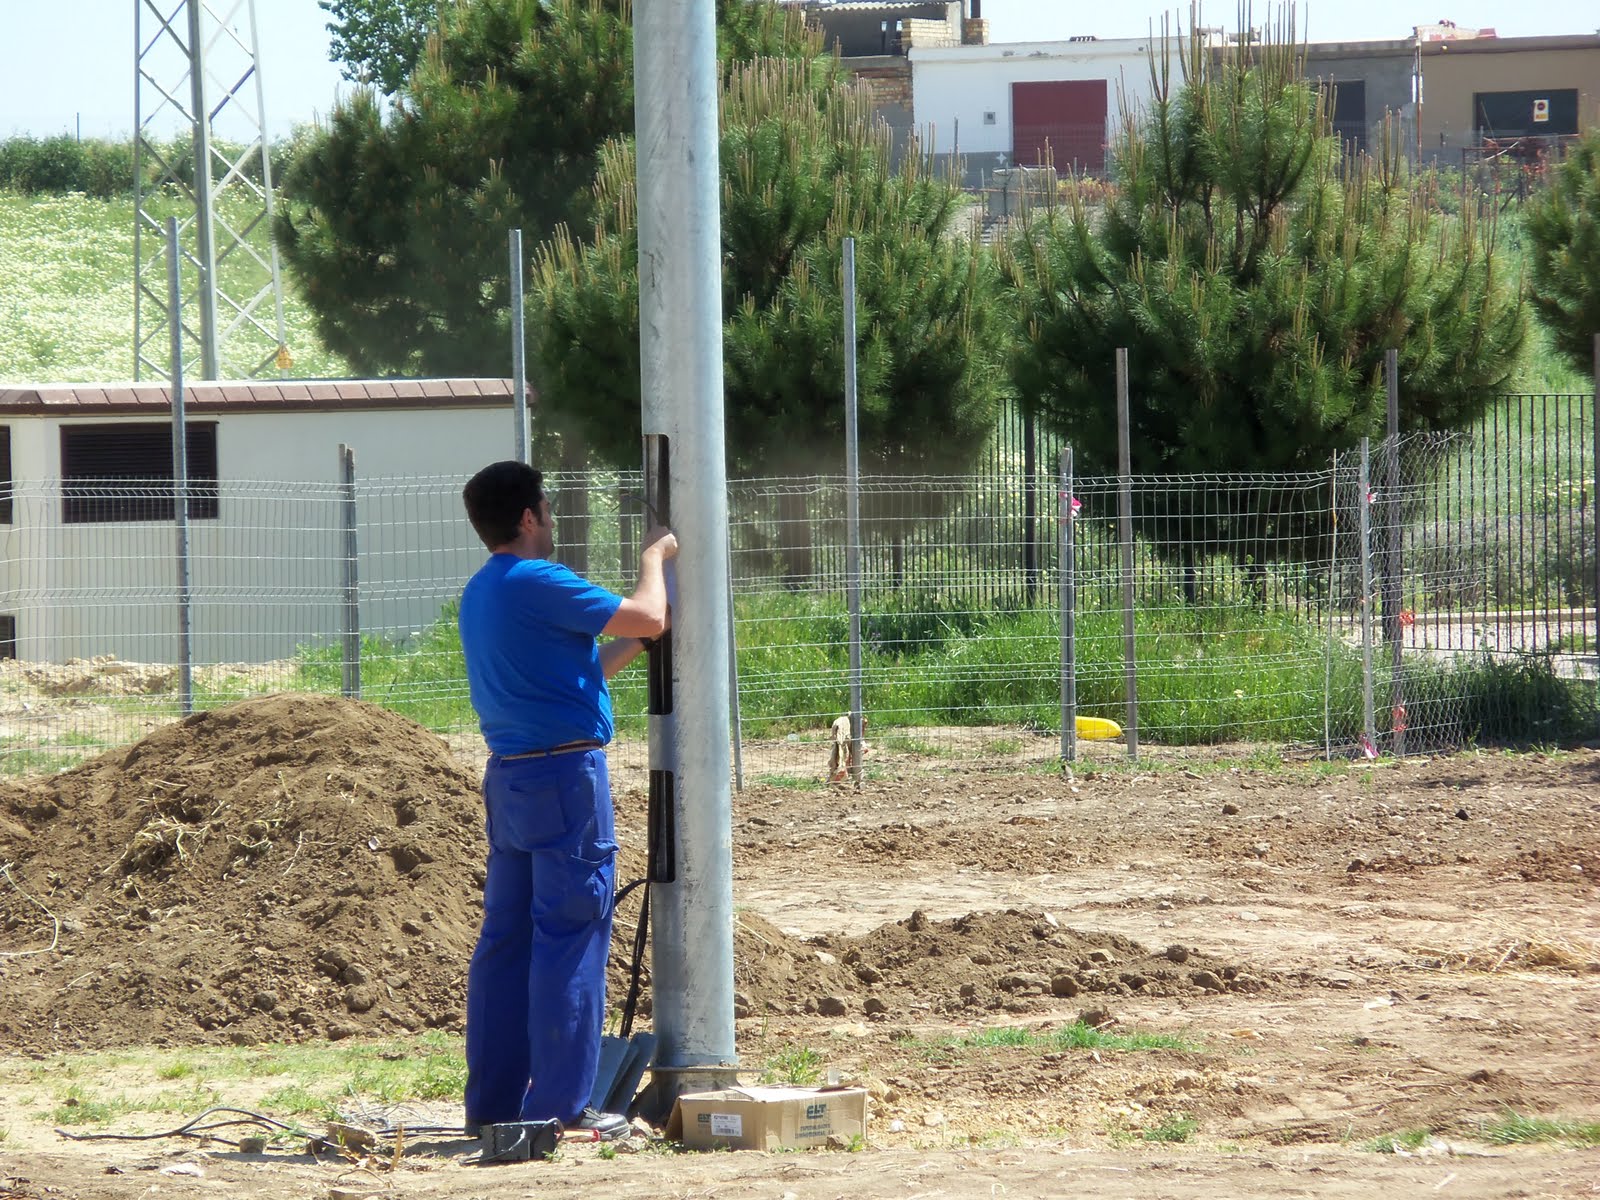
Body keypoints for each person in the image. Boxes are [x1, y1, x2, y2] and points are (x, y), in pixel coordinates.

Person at [457, 460, 676, 1141]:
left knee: (507, 944)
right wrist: (655, 553)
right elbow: (648, 612)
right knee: (570, 937)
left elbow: (566, 673)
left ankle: (494, 1108)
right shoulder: (538, 579)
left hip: (512, 780)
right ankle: (558, 1110)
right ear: (528, 518)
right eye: (548, 511)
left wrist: (624, 651)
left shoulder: (482, 592)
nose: (552, 521)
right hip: (565, 781)